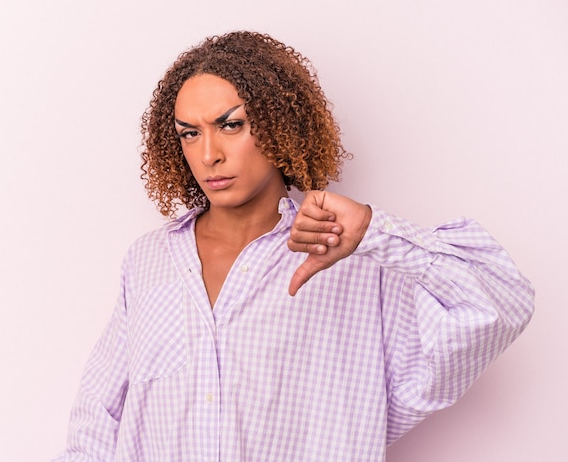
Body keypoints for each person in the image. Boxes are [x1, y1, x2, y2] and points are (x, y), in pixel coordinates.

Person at [51, 31, 534, 461]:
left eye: (231, 124)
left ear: (281, 124)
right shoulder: (149, 260)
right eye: (189, 134)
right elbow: (97, 420)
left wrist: (373, 231)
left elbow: (500, 306)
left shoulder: (358, 263)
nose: (208, 154)